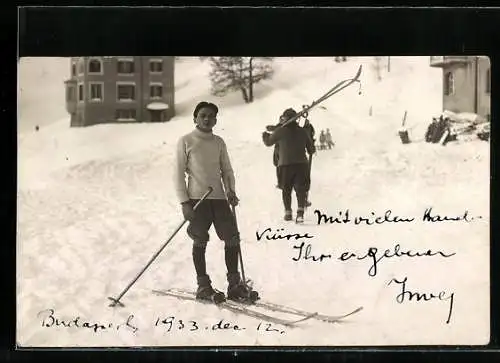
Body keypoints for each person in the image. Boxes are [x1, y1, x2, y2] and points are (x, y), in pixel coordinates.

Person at [174, 101, 255, 303]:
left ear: (216, 119)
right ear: (195, 118)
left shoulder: (219, 142)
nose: (207, 119)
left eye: (211, 116)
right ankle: (203, 286)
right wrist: (185, 203)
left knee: (232, 238)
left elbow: (226, 170)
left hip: (219, 198)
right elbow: (177, 174)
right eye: (203, 115)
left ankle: (234, 285)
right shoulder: (186, 141)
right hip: (197, 200)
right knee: (200, 240)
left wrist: (230, 190)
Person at [262, 108, 315, 223]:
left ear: (285, 118)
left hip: (285, 165)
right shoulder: (302, 131)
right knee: (301, 189)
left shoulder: (280, 131)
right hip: (301, 164)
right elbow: (311, 149)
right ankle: (300, 213)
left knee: (286, 189)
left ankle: (288, 212)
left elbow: (268, 142)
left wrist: (265, 135)